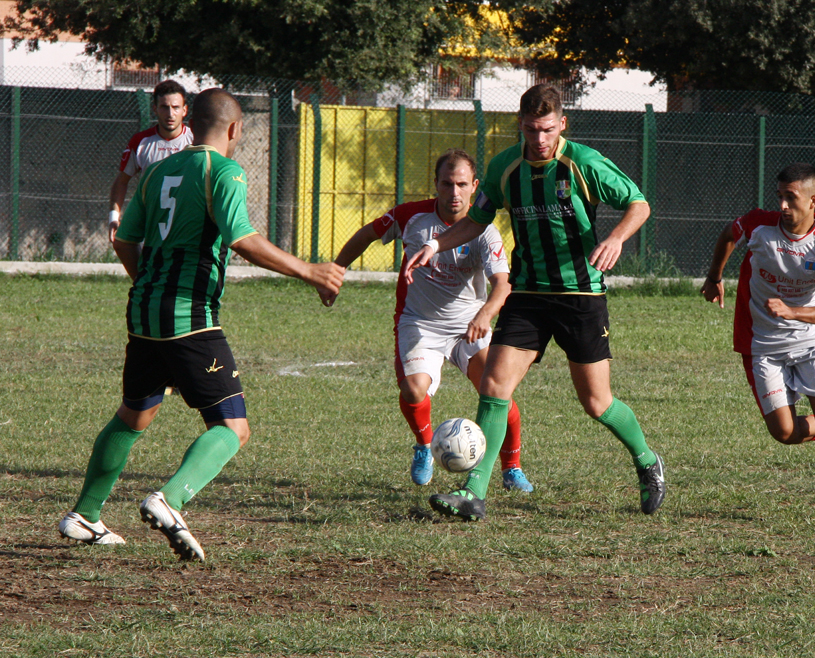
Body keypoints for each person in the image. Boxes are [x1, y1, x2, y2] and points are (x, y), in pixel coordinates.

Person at [58, 88, 346, 560]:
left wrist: (152, 284)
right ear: (234, 130)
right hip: (190, 317)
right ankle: (169, 499)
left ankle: (85, 514)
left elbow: (125, 241)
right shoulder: (224, 171)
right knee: (233, 426)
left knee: (135, 414)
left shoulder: (155, 173)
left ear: (193, 125)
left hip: (144, 311)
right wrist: (310, 270)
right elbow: (243, 239)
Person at [405, 84, 666, 521]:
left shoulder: (583, 163)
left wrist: (617, 237)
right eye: (530, 130)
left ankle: (646, 461)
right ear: (520, 126)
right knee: (494, 386)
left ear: (562, 124)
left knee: (597, 403)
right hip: (527, 295)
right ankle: (474, 492)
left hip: (580, 296)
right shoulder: (505, 168)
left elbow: (639, 204)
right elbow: (477, 219)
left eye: (547, 129)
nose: (539, 139)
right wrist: (436, 244)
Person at [323, 149, 533, 492]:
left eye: (462, 184)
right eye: (447, 184)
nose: (454, 193)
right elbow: (366, 235)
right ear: (435, 184)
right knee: (412, 388)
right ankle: (424, 445)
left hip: (470, 325)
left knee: (499, 393)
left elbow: (502, 285)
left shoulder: (485, 230)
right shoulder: (410, 216)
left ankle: (512, 467)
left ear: (475, 186)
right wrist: (336, 271)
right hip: (420, 322)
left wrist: (483, 314)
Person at [701, 162, 815, 522]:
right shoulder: (759, 225)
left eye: (790, 198)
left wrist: (793, 312)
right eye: (779, 197)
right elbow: (728, 235)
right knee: (783, 432)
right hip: (763, 342)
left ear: (814, 201)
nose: (782, 206)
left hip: (813, 340)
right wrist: (715, 276)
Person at [108, 79, 193, 243]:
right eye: (164, 107)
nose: (170, 114)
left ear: (184, 110)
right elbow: (121, 182)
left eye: (175, 107)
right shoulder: (141, 142)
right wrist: (113, 217)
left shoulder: (196, 141)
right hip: (151, 226)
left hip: (186, 226)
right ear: (155, 109)